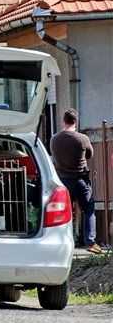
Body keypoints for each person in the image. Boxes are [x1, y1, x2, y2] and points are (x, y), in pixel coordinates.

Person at [50, 108, 101, 254]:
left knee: (64, 212)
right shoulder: (82, 139)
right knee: (89, 209)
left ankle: (62, 243)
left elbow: (54, 156)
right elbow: (90, 154)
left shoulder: (55, 139)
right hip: (80, 180)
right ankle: (90, 242)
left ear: (63, 121)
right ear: (75, 122)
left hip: (63, 181)